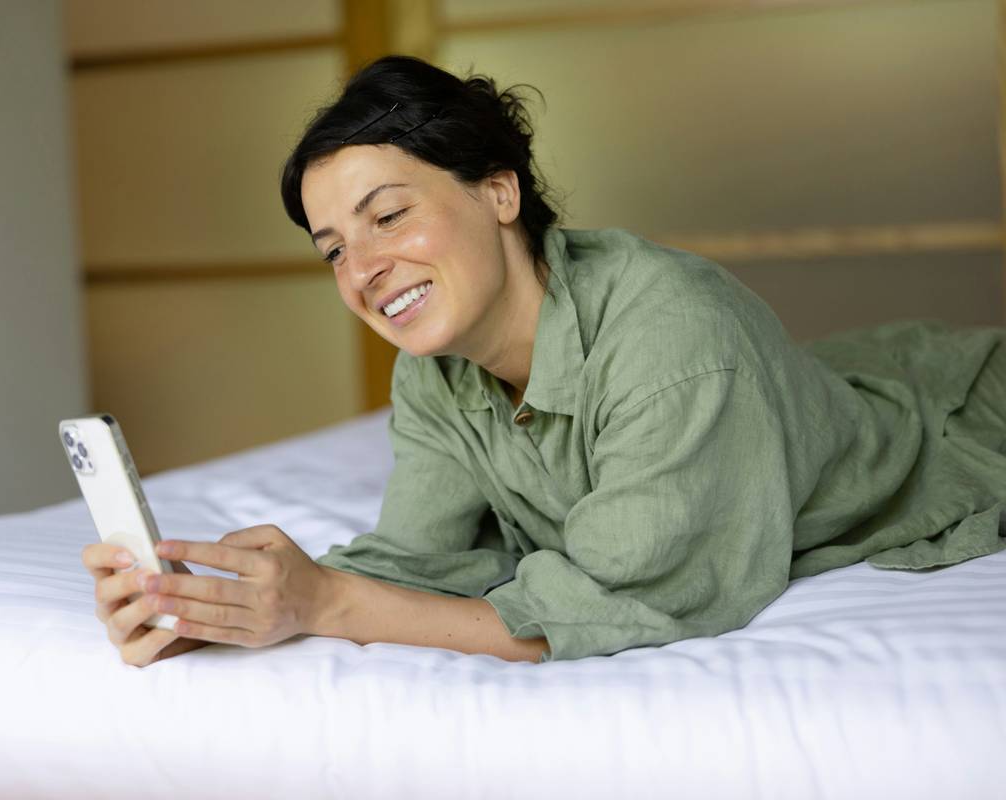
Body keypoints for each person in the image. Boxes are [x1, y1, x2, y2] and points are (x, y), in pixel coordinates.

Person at [81, 55, 1006, 667]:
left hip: (968, 420)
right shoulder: (434, 365)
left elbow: (627, 598)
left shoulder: (673, 336)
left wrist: (329, 607)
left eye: (389, 216)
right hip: (824, 383)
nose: (362, 273)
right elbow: (419, 558)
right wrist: (220, 615)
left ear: (498, 191)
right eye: (332, 249)